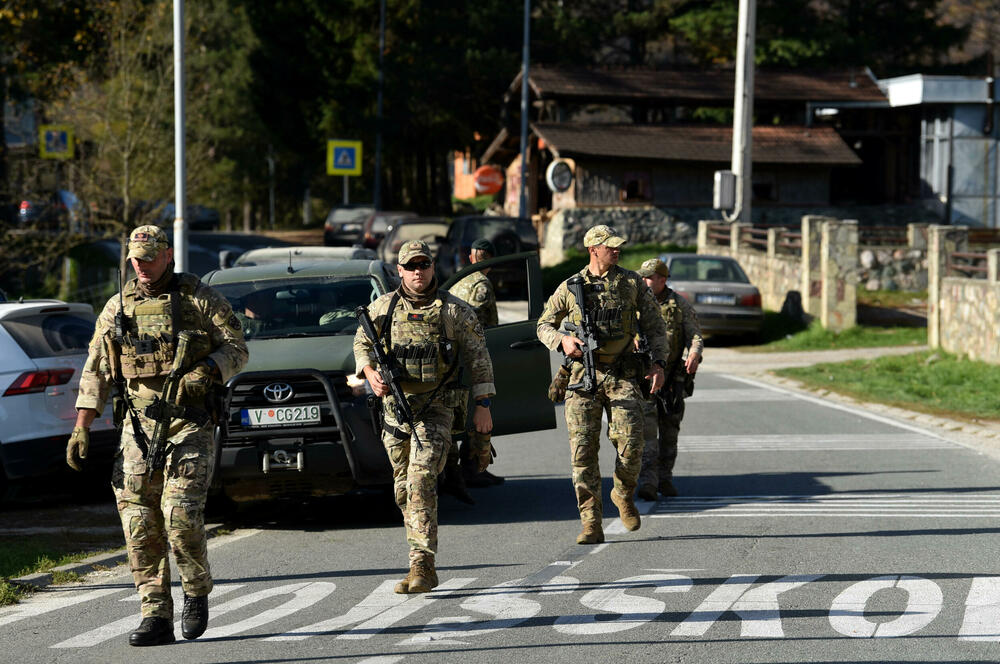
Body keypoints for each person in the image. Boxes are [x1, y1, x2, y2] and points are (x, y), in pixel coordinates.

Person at [66, 225, 248, 647]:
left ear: (167, 255)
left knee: (180, 516)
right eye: (135, 259)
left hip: (189, 424)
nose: (142, 266)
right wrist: (82, 424)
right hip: (137, 428)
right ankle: (154, 613)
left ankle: (196, 591)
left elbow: (237, 345)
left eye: (149, 258)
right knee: (139, 521)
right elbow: (97, 367)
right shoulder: (118, 307)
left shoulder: (200, 299)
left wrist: (209, 370)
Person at [353, 240, 495, 593]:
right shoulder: (382, 309)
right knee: (403, 490)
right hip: (395, 414)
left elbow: (479, 359)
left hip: (437, 409)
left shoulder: (454, 311)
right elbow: (361, 343)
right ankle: (418, 560)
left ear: (433, 267)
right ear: (399, 270)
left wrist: (483, 406)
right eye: (411, 266)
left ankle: (422, 567)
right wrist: (368, 372)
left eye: (424, 264)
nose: (419, 271)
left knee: (419, 482)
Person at [536, 225, 668, 545]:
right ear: (593, 250)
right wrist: (562, 341)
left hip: (622, 375)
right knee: (583, 454)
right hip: (583, 378)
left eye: (618, 246)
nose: (617, 250)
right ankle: (591, 521)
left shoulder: (631, 283)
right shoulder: (570, 286)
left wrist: (659, 364)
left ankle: (622, 493)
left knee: (632, 442)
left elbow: (655, 325)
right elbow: (543, 325)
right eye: (610, 247)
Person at [635, 258, 703, 501]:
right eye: (641, 277)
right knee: (647, 434)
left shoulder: (679, 305)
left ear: (662, 280)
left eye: (648, 277)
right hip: (644, 380)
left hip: (672, 381)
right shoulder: (635, 304)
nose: (643, 281)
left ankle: (665, 478)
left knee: (670, 433)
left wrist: (694, 352)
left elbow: (695, 335)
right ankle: (648, 483)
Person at [444, 237, 502, 495]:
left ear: (471, 257)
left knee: (466, 410)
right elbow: (473, 319)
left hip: (457, 355)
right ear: (489, 259)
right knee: (480, 408)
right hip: (476, 353)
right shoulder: (480, 283)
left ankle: (474, 466)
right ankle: (474, 466)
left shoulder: (459, 279)